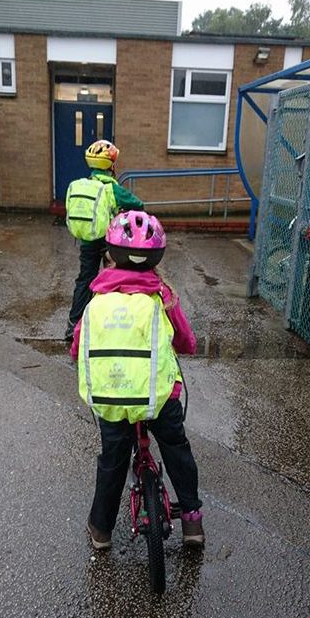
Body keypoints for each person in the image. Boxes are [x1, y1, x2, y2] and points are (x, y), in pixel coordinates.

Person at [70, 210, 204, 550]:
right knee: (176, 448)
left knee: (112, 459)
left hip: (112, 400)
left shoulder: (97, 299)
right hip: (157, 398)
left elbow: (78, 346)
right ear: (156, 257)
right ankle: (192, 522)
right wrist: (184, 347)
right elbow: (186, 341)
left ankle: (100, 529)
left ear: (111, 255)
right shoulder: (162, 296)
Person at [64, 140, 144, 341]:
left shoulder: (84, 185)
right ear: (111, 166)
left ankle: (73, 325)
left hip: (89, 240)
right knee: (112, 281)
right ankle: (108, 325)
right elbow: (138, 204)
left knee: (85, 279)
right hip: (110, 243)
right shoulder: (112, 189)